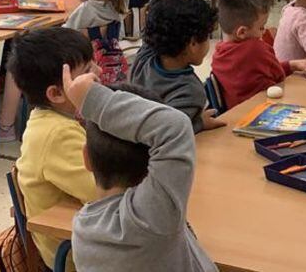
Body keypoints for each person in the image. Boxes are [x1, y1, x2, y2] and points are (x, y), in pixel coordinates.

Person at [66, 67, 216, 272]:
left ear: (86, 159)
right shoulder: (152, 219)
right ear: (155, 162)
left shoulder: (82, 227)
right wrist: (91, 100)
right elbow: (175, 126)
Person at [11, 27, 98, 269]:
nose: (99, 73)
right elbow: (102, 190)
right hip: (74, 254)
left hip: (81, 235)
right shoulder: (57, 135)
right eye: (88, 71)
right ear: (56, 93)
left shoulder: (56, 118)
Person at [129, 0, 221, 132]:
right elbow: (164, 130)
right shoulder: (189, 91)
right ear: (193, 43)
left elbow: (160, 1)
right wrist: (198, 123)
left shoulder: (146, 55)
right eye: (206, 36)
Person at [210, 0, 306, 111]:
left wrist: (291, 65)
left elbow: (260, 71)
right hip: (266, 112)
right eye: (261, 27)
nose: (264, 31)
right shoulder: (256, 48)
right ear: (242, 32)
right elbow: (278, 75)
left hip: (237, 115)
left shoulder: (219, 53)